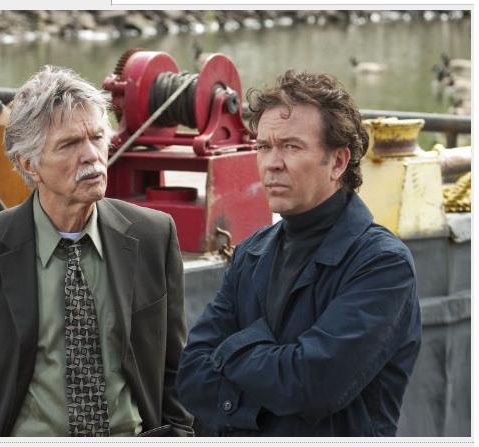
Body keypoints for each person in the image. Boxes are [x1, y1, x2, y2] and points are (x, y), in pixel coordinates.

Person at [0, 65, 193, 437]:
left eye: (97, 137)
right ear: (29, 164)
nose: (92, 156)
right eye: (69, 144)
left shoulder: (154, 236)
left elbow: (177, 368)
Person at [176, 69, 421, 436]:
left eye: (291, 146)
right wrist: (275, 371)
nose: (272, 163)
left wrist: (229, 353)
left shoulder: (382, 265)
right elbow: (192, 373)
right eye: (264, 147)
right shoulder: (250, 253)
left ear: (338, 162)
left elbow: (310, 386)